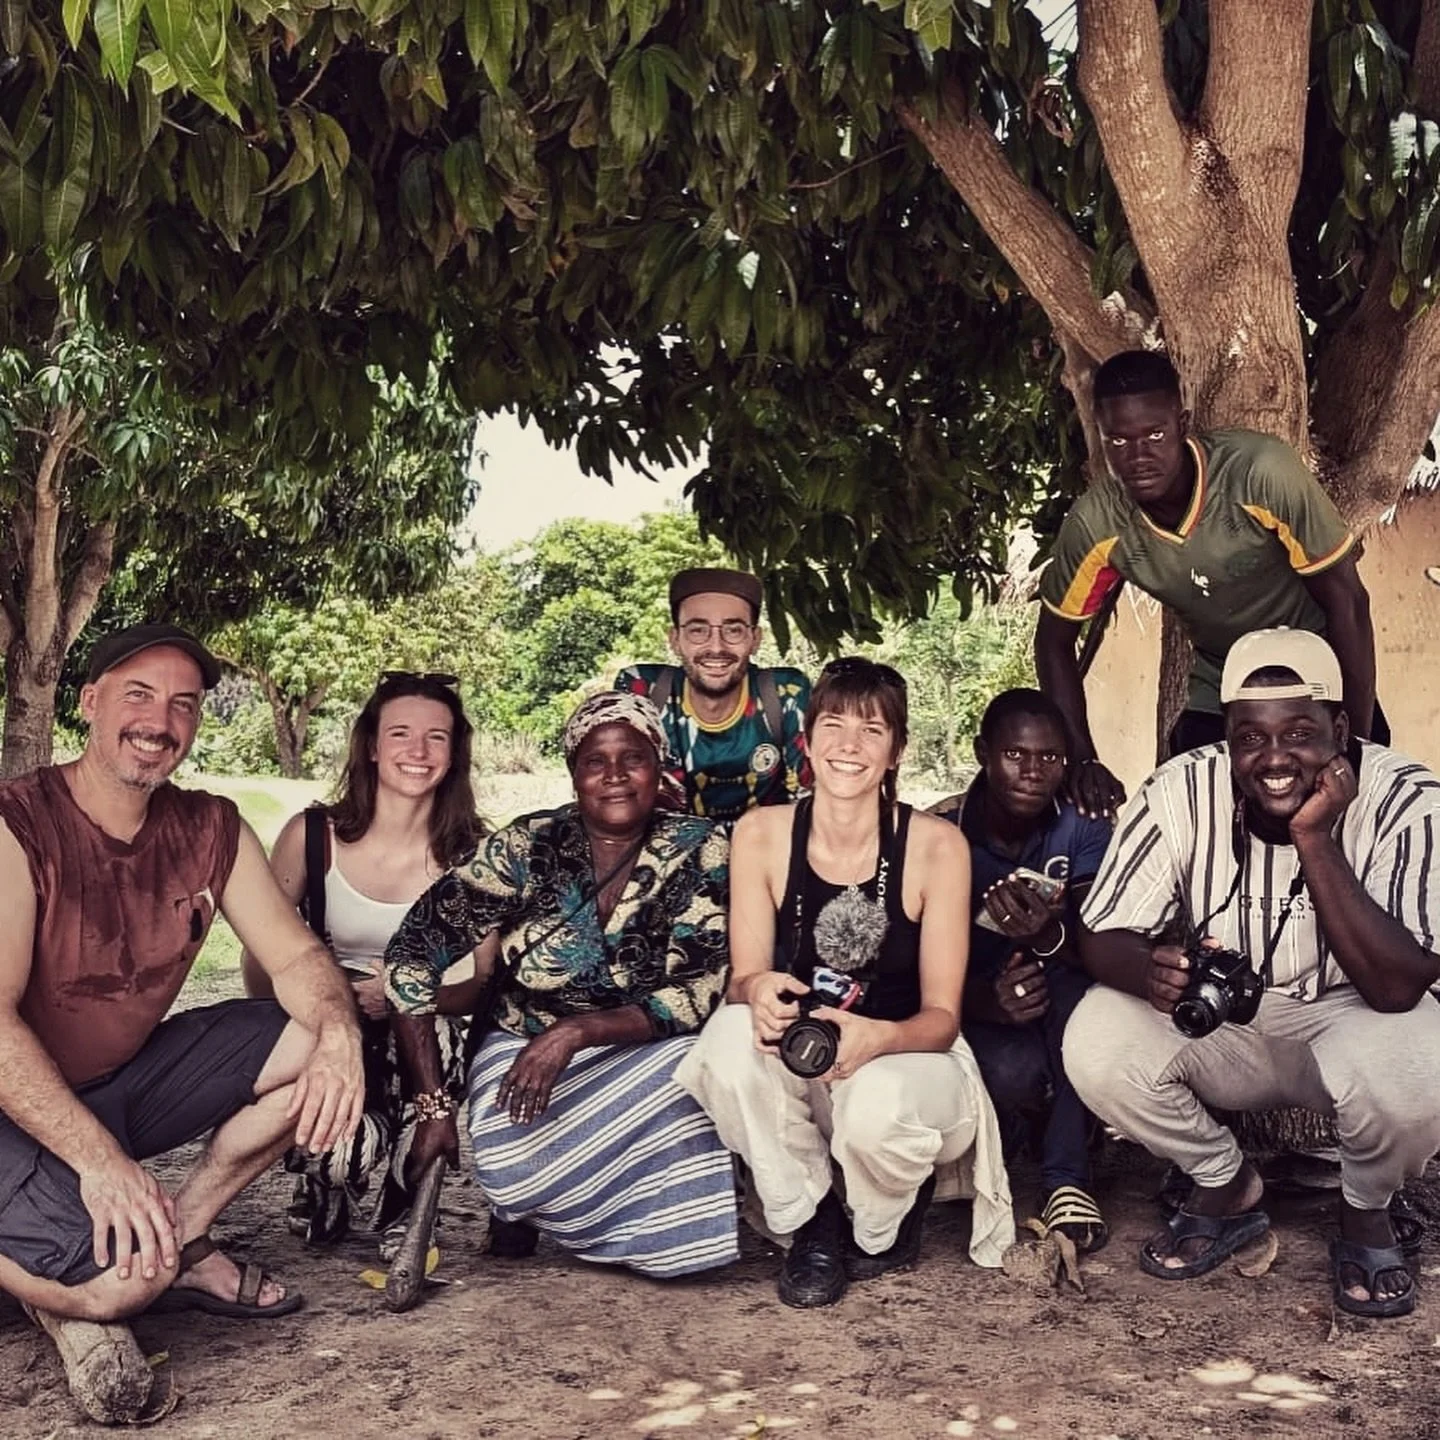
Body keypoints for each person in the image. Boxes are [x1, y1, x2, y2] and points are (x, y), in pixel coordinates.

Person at [1063, 628, 1440, 1319]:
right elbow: (1100, 932)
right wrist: (1150, 973)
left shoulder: (1408, 799)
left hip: (1357, 1021)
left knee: (1425, 1061)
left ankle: (1366, 1209)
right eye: (1250, 738)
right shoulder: (1182, 789)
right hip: (1231, 1029)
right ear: (1227, 738)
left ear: (1341, 730)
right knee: (1096, 1036)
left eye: (1299, 734)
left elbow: (1397, 988)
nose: (1274, 759)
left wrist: (1314, 837)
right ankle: (1226, 1182)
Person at [0, 623, 363, 1325]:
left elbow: (297, 959)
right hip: (12, 1105)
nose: (159, 722)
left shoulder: (210, 828)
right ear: (90, 702)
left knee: (320, 1039)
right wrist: (101, 1163)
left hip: (118, 1087)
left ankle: (182, 1235)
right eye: (138, 694)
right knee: (120, 1286)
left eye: (183, 704)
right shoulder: (17, 823)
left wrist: (341, 1036)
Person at [676, 658, 1013, 1309]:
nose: (849, 746)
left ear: (897, 751)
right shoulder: (762, 833)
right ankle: (812, 1221)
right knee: (724, 1043)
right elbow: (744, 978)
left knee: (877, 1107)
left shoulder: (937, 846)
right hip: (808, 1058)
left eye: (872, 730)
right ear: (807, 739)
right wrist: (761, 991)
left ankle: (888, 1214)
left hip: (908, 1062)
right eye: (833, 725)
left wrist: (877, 1038)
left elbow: (942, 1019)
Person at [385, 691, 738, 1277]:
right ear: (574, 774)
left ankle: (652, 1238)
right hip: (522, 1047)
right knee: (507, 1163)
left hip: (647, 1051)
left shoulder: (701, 847)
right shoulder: (528, 846)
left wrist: (577, 1032)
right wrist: (433, 1106)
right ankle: (533, 1206)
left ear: (659, 766)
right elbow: (412, 953)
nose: (615, 775)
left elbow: (701, 988)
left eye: (634, 758)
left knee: (700, 1076)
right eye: (596, 761)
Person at [1034, 348, 1383, 819]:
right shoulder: (1097, 524)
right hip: (1221, 682)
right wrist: (1082, 760)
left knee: (1360, 822)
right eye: (1118, 441)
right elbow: (1053, 641)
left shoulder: (1259, 472)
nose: (1138, 456)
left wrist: (1355, 741)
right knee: (1192, 814)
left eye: (1155, 434)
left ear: (1183, 423)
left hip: (1316, 673)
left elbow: (1349, 601)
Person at [243, 671, 490, 1248]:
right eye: (400, 733)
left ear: (454, 753)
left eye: (436, 737)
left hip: (424, 1034)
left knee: (441, 1037)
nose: (418, 751)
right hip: (329, 1022)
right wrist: (309, 1016)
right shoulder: (311, 837)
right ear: (372, 747)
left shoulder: (472, 853)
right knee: (339, 1153)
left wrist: (406, 996)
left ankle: (411, 1198)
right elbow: (261, 957)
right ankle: (326, 1183)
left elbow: (484, 982)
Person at [932, 689, 1113, 1252]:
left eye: (1050, 757)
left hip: (1063, 988)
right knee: (1016, 1073)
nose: (1033, 772)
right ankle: (1021, 1129)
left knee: (1082, 1003)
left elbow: (1100, 944)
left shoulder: (1081, 824)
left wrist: (1044, 936)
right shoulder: (940, 832)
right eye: (1015, 754)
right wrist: (987, 1001)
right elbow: (912, 970)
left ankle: (1067, 1181)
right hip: (977, 1001)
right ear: (983, 753)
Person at [615, 566, 811, 823]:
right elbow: (620, 797)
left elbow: (810, 800)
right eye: (698, 630)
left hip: (767, 844)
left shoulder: (785, 693)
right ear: (675, 639)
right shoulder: (644, 692)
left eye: (733, 630)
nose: (716, 647)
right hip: (671, 846)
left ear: (755, 639)